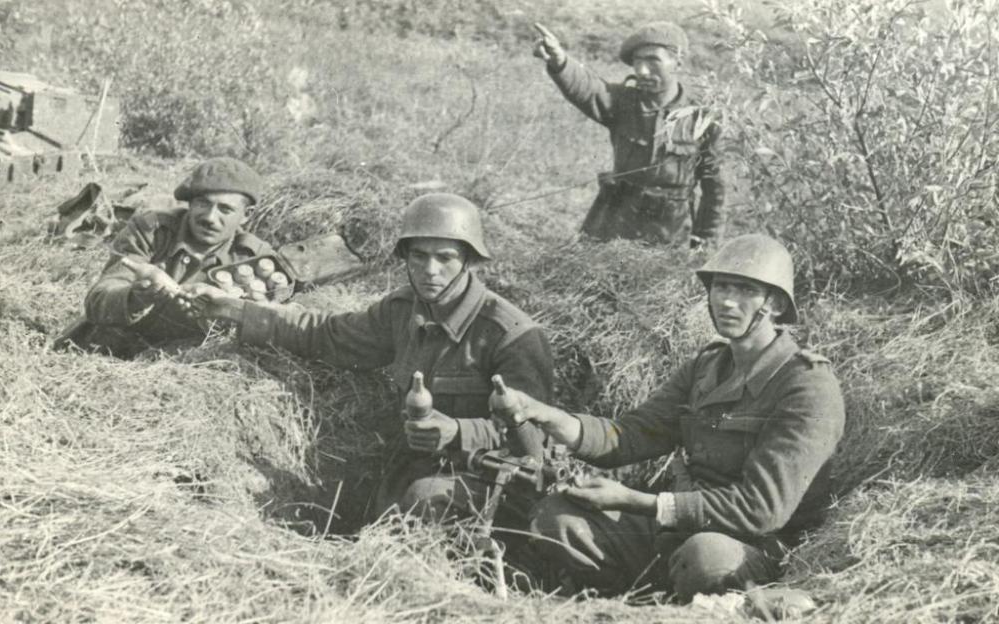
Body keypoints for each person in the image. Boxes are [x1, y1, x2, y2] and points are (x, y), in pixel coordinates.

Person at [504, 234, 845, 599]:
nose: (728, 301)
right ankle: (633, 603)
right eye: (721, 287)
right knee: (557, 519)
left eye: (746, 290)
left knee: (707, 557)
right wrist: (544, 414)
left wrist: (636, 501)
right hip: (680, 530)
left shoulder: (806, 385)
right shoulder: (707, 367)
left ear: (774, 303)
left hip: (754, 549)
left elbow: (761, 509)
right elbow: (631, 435)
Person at [187, 193, 554, 523]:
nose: (430, 270)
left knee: (421, 499)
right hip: (411, 462)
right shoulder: (403, 309)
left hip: (487, 479)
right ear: (405, 258)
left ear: (468, 261)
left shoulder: (510, 335)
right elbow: (328, 334)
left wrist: (458, 432)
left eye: (445, 258)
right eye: (419, 256)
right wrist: (237, 310)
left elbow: (536, 438)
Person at [56, 157, 274, 359]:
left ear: (247, 215)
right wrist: (137, 296)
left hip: (181, 365)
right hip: (97, 352)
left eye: (225, 209)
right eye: (203, 203)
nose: (209, 217)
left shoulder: (254, 259)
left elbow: (270, 329)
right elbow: (97, 302)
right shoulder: (150, 230)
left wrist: (235, 309)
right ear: (190, 203)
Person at [533, 21, 726, 247]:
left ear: (678, 62)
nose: (642, 70)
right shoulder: (622, 102)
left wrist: (706, 244)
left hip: (670, 233)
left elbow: (715, 190)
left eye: (653, 60)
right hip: (614, 225)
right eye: (637, 61)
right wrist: (560, 62)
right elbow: (589, 88)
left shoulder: (703, 118)